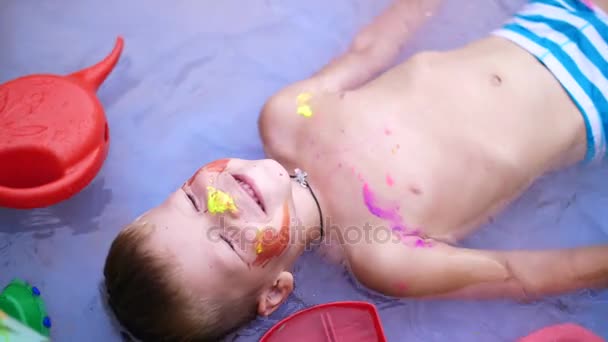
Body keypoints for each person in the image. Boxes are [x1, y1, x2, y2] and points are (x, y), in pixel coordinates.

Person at [103, 0, 608, 340]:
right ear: (276, 290)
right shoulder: (384, 254)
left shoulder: (286, 116)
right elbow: (522, 276)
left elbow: (371, 50)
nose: (223, 204)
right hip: (593, 100)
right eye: (230, 242)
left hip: (545, 18)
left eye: (192, 200)